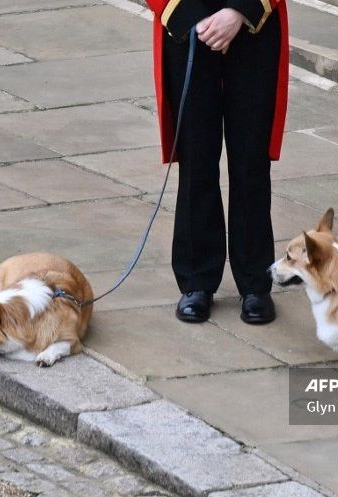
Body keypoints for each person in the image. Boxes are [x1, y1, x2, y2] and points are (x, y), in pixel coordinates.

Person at [143, 0, 289, 324]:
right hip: (186, 24)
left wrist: (239, 11)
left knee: (251, 162)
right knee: (196, 161)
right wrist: (190, 15)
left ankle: (255, 282)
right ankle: (196, 280)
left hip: (256, 28)